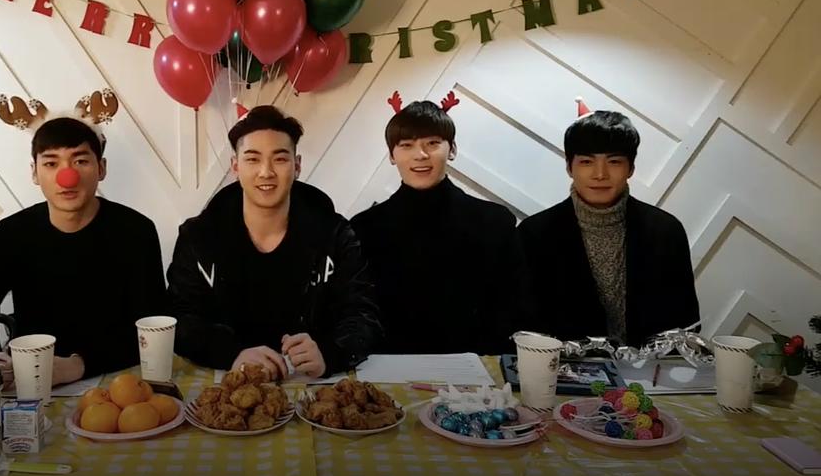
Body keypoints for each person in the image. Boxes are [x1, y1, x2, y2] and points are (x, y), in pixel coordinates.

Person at [0, 91, 166, 387]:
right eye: (51, 163)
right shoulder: (12, 233)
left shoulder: (136, 231)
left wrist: (77, 365)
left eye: (80, 161)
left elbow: (153, 329)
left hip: (119, 378)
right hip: (33, 380)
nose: (66, 176)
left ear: (101, 168)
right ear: (34, 172)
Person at [167, 106, 381, 380]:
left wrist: (330, 353)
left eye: (279, 159)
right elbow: (179, 318)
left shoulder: (335, 234)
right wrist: (230, 353)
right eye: (252, 159)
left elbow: (363, 313)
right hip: (227, 379)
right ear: (235, 166)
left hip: (311, 382)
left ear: (297, 165)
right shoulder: (199, 237)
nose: (266, 172)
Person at [351, 92, 523, 355]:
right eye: (406, 145)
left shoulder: (495, 222)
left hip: (477, 366)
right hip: (387, 365)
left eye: (432, 143)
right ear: (392, 155)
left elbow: (512, 308)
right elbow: (357, 312)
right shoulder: (364, 228)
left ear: (452, 149)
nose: (420, 155)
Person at [517, 100, 700, 346]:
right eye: (587, 162)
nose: (600, 174)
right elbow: (526, 325)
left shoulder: (665, 230)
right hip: (563, 367)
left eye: (614, 162)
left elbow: (685, 322)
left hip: (651, 367)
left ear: (631, 168)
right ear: (569, 167)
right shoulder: (534, 234)